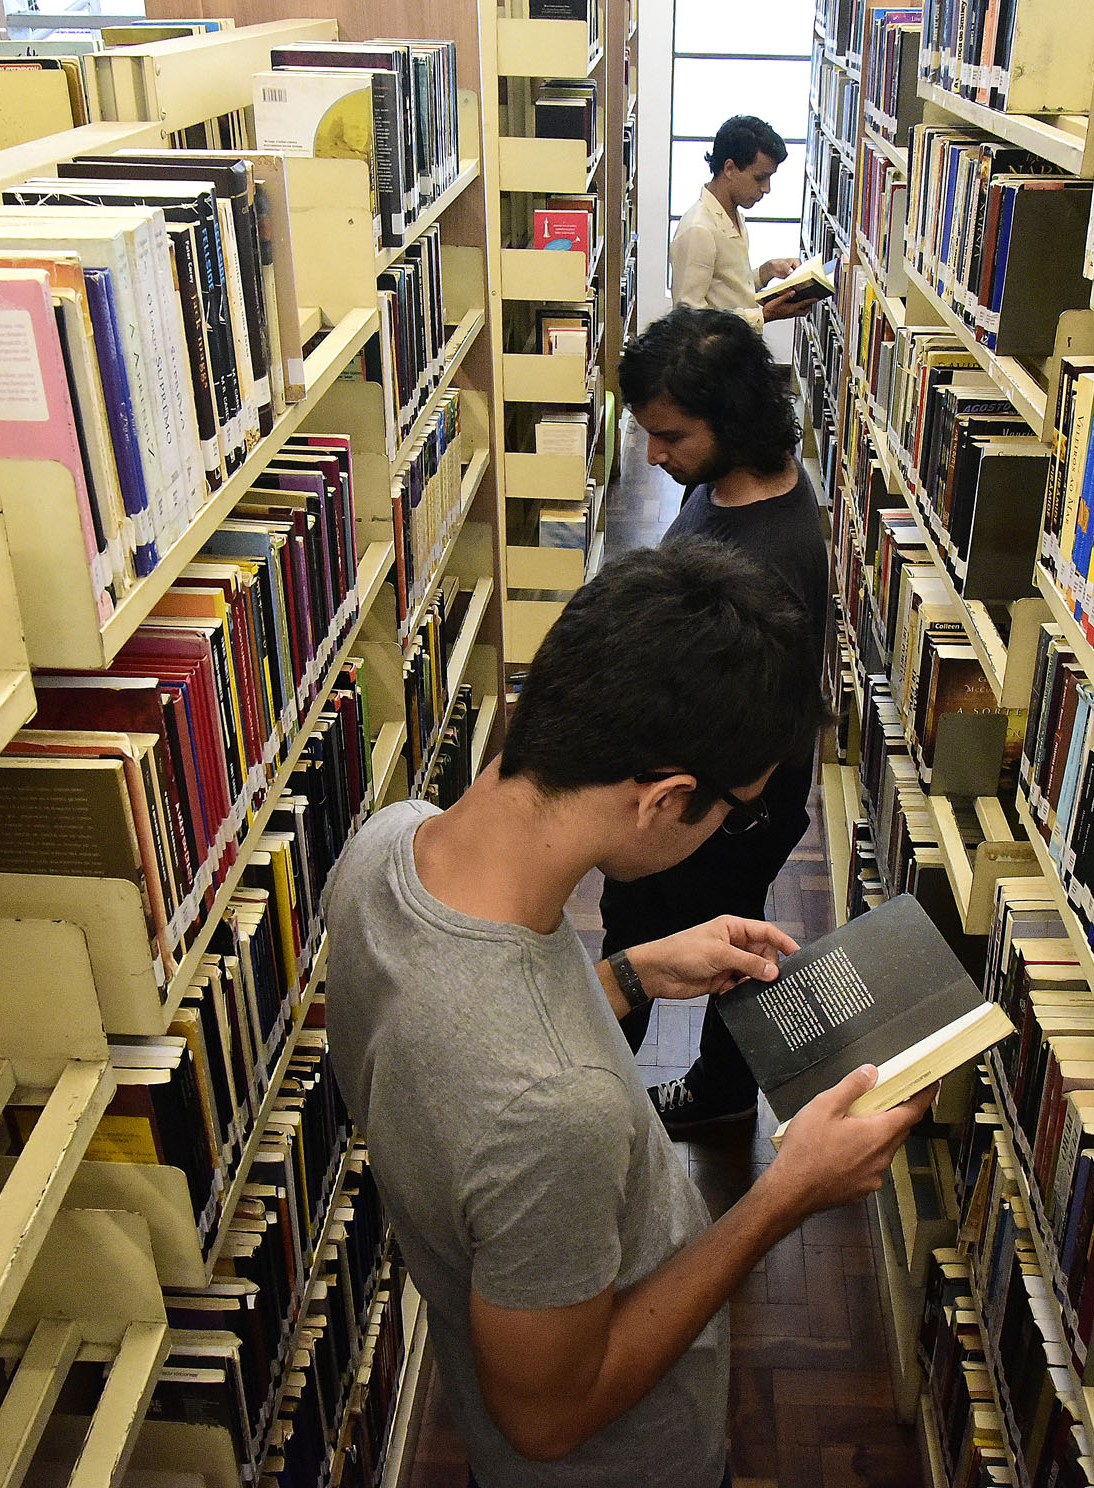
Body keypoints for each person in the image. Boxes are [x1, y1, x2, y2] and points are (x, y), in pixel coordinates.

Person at [323, 539, 931, 1488]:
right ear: (665, 800)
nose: (730, 830)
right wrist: (783, 1196)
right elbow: (549, 1419)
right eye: (733, 810)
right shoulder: (557, 1111)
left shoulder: (387, 848)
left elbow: (453, 1059)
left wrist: (628, 977)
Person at [606, 307, 832, 1136]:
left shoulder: (761, 560)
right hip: (710, 796)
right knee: (688, 935)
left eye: (670, 436)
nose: (655, 455)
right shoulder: (738, 479)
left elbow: (753, 729)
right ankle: (693, 1087)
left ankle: (644, 1097)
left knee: (697, 944)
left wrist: (673, 808)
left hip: (722, 807)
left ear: (727, 421)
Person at [669, 114, 805, 329]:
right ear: (730, 168)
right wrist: (763, 315)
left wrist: (765, 272)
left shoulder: (732, 215)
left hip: (737, 352)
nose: (766, 188)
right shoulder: (698, 230)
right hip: (715, 360)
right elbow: (689, 322)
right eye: (760, 178)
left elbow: (724, 291)